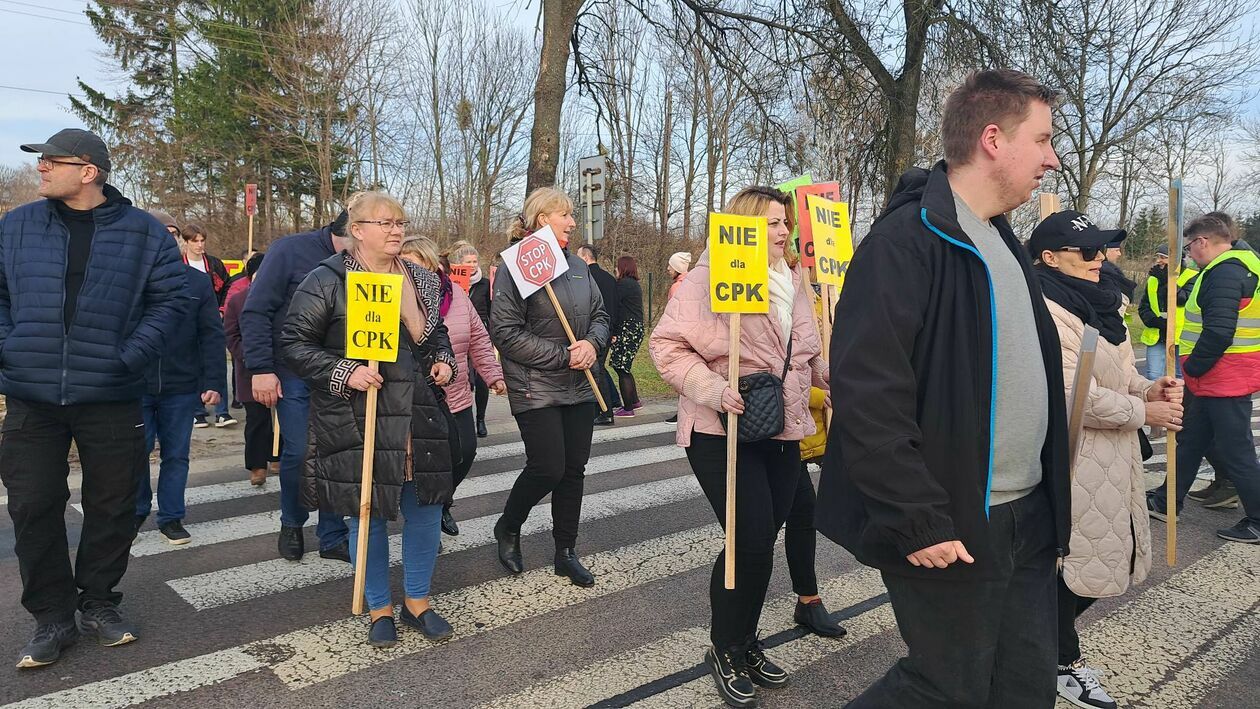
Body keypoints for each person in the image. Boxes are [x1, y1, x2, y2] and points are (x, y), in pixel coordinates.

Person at [817, 69, 1072, 708]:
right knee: (944, 689)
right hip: (953, 517)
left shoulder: (1003, 241)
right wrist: (917, 516)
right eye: (1043, 140)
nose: (1052, 159)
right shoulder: (905, 242)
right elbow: (869, 395)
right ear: (993, 139)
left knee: (1025, 686)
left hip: (1028, 514)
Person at [0, 129, 187, 668]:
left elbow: (172, 302)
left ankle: (99, 602)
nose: (41, 168)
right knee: (32, 504)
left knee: (114, 503)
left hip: (110, 392)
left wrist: (128, 357)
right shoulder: (15, 226)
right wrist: (9, 348)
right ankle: (52, 617)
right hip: (32, 394)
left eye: (51, 160)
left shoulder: (143, 233)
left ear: (88, 171)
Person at [651, 185, 828, 707]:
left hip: (783, 427)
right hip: (722, 429)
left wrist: (839, 382)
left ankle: (746, 641)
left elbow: (807, 352)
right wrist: (710, 387)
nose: (784, 231)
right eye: (772, 223)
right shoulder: (707, 278)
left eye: (786, 222)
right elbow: (666, 346)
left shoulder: (793, 280)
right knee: (748, 540)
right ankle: (725, 647)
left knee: (761, 540)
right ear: (746, 227)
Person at [281, 191, 458, 647]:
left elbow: (436, 335)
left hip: (419, 413)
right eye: (385, 223)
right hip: (359, 414)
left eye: (400, 222)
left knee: (426, 508)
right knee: (368, 513)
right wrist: (345, 371)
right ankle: (379, 607)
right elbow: (295, 343)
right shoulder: (327, 279)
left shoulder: (421, 278)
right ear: (357, 230)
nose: (396, 230)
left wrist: (443, 360)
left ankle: (418, 601)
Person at [1029, 211, 1184, 709]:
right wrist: (1143, 411)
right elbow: (1072, 392)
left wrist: (1148, 387)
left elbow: (1116, 373)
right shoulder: (1044, 307)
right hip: (1075, 457)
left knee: (1103, 557)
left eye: (1102, 248)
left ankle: (1039, 649)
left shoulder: (1103, 303)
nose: (1100, 258)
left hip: (1116, 457)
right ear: (1050, 258)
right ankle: (1059, 662)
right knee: (1072, 566)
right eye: (1087, 251)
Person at [491, 186, 610, 587]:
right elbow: (505, 332)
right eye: (565, 215)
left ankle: (565, 552)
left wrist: (592, 345)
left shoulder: (577, 265)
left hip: (580, 383)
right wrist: (563, 355)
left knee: (573, 470)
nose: (573, 222)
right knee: (548, 467)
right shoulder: (515, 266)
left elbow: (600, 315)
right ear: (543, 219)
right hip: (536, 385)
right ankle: (509, 524)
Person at [241, 211, 352, 562]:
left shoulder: (370, 260)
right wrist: (261, 368)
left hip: (344, 371)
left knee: (338, 451)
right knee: (301, 451)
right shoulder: (288, 251)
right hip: (293, 369)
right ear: (351, 231)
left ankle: (332, 533)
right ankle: (292, 522)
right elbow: (256, 310)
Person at [1149, 214, 1260, 544]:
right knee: (1192, 439)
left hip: (1223, 376)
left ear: (1202, 241)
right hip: (1221, 376)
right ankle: (1167, 501)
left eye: (1188, 248)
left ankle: (1257, 520)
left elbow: (1220, 330)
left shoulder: (1226, 271)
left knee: (1236, 449)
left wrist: (1194, 368)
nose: (1189, 254)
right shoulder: (1239, 265)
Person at [399, 236, 505, 537]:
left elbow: (479, 339)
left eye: (416, 263)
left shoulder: (457, 295)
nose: (410, 270)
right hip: (415, 402)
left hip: (456, 395)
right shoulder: (395, 297)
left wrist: (493, 375)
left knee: (464, 453)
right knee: (427, 466)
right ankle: (426, 520)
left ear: (432, 265)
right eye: (404, 263)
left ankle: (443, 502)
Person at [135, 211, 227, 545]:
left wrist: (213, 381)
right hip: (135, 384)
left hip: (181, 384)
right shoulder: (130, 279)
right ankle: (134, 512)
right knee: (135, 453)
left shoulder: (197, 282)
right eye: (160, 232)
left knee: (176, 454)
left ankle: (171, 517)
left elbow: (211, 334)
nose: (167, 237)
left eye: (173, 232)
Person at [225, 253, 277, 487]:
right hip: (249, 371)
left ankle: (277, 456)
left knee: (282, 418)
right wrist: (249, 356)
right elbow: (231, 335)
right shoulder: (238, 301)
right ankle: (257, 465)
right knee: (257, 419)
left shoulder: (281, 298)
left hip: (280, 367)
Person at [449, 241, 494, 438]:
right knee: (464, 377)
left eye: (475, 261)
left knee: (482, 378)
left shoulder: (485, 283)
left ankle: (481, 419)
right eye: (468, 262)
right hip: (460, 334)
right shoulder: (453, 282)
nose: (473, 265)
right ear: (460, 264)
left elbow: (491, 310)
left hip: (480, 333)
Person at [578, 243, 622, 425]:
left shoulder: (584, 277)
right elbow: (617, 306)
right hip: (608, 330)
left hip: (593, 332)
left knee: (597, 371)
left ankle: (605, 411)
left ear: (586, 257)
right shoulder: (609, 278)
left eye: (578, 256)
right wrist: (614, 330)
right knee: (599, 369)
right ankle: (607, 406)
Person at [610, 254, 645, 417]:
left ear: (622, 268)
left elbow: (616, 308)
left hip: (627, 329)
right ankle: (635, 401)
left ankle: (628, 407)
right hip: (635, 329)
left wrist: (614, 332)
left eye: (617, 266)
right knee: (625, 367)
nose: (615, 269)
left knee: (621, 367)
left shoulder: (623, 285)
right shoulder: (634, 285)